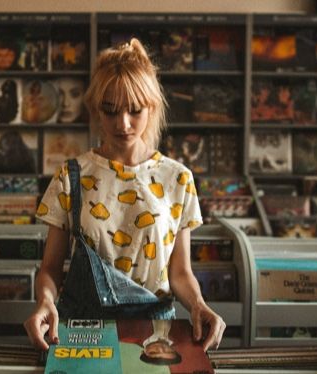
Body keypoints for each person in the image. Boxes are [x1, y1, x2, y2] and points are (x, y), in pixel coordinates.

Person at [24, 38, 225, 352]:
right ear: (96, 109)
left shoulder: (177, 179)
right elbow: (50, 267)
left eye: (134, 110)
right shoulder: (71, 176)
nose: (123, 123)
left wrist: (199, 304)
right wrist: (45, 302)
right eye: (110, 110)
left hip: (155, 333)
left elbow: (180, 272)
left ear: (152, 106)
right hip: (84, 331)